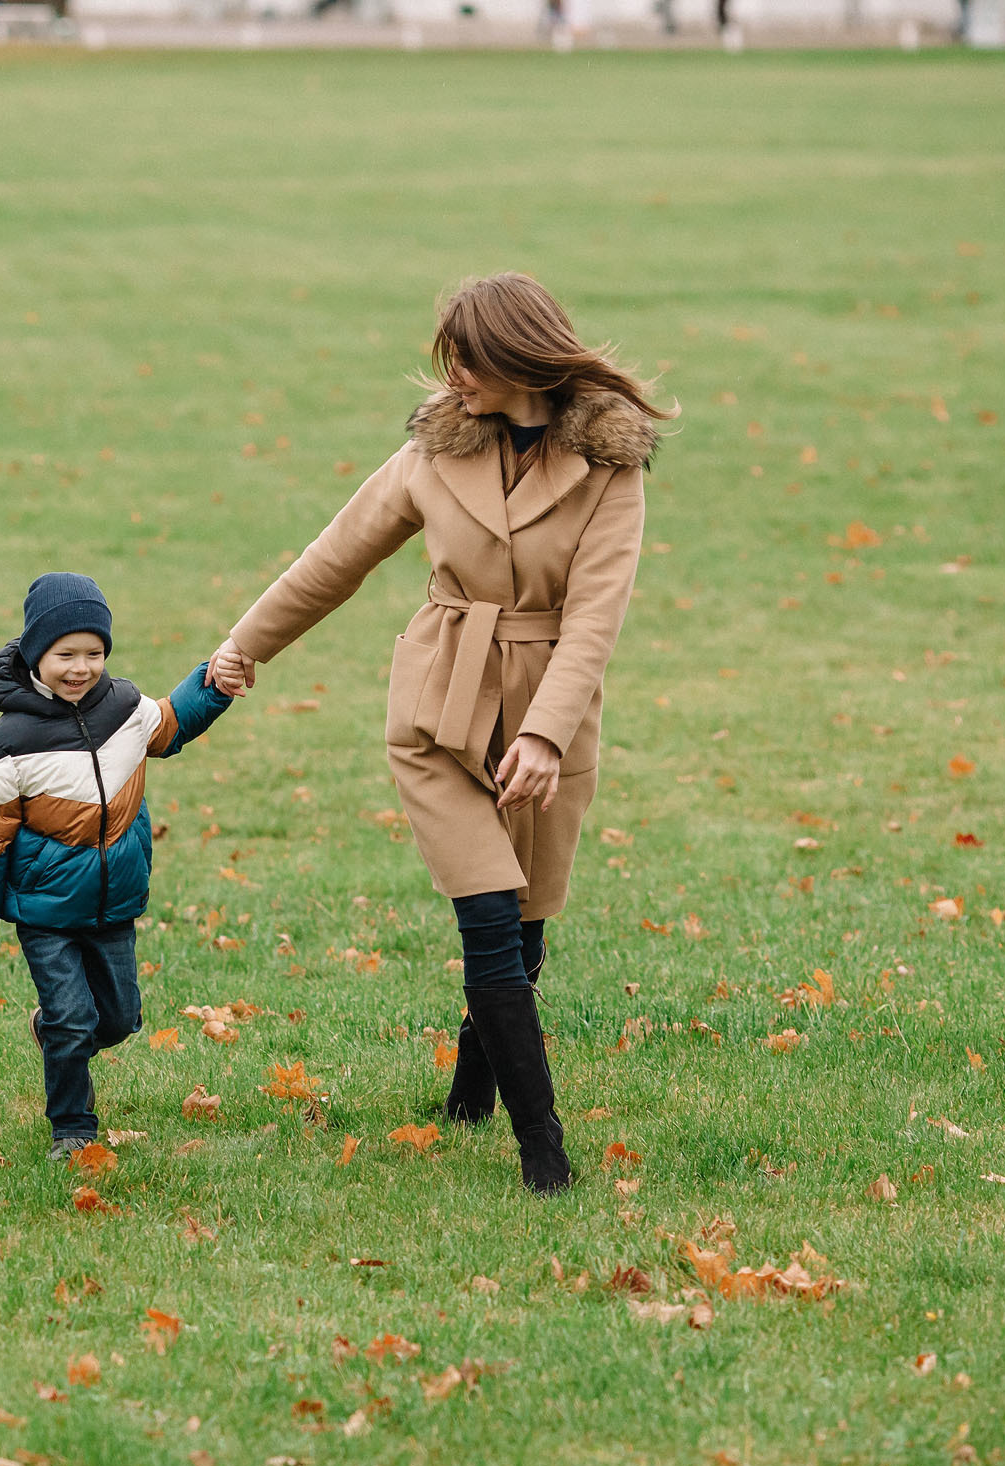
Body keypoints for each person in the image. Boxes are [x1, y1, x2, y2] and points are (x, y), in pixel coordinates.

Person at [207, 273, 667, 1194]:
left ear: (517, 356)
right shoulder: (432, 452)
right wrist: (240, 647)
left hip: (548, 716)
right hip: (437, 709)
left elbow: (594, 619)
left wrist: (541, 736)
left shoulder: (612, 467)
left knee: (527, 927)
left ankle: (469, 1096)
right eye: (445, 356)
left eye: (466, 357)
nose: (449, 373)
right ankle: (546, 1155)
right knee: (490, 918)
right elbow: (334, 559)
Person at [0, 574, 235, 1158]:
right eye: (65, 655)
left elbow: (173, 720)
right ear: (36, 654)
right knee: (74, 1018)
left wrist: (216, 682)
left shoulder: (125, 709)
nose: (81, 668)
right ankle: (72, 1129)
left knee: (119, 1019)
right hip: (46, 911)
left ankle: (53, 1032)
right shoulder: (9, 744)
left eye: (94, 653)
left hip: (111, 903)